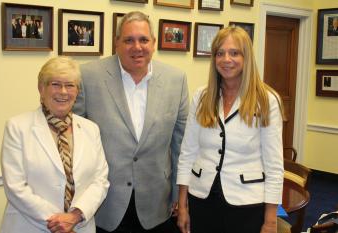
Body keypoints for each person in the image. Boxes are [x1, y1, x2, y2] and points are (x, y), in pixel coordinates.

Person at [73, 11, 189, 233]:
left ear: (153, 43)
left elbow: (180, 145)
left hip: (157, 205)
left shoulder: (177, 80)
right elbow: (76, 141)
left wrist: (179, 197)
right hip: (105, 205)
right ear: (117, 43)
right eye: (129, 40)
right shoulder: (88, 76)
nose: (137, 47)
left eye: (144, 39)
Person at [176, 26, 285, 233]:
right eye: (220, 53)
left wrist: (270, 220)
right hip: (201, 199)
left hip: (246, 204)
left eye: (234, 53)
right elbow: (187, 153)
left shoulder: (266, 100)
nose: (227, 59)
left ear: (247, 58)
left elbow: (274, 165)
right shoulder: (201, 96)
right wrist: (182, 205)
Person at [0, 57, 110, 233]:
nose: (63, 92)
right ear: (41, 89)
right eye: (55, 84)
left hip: (79, 226)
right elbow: (15, 187)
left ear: (77, 91)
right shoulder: (17, 127)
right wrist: (60, 222)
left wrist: (74, 217)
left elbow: (100, 180)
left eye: (70, 85)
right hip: (32, 226)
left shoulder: (91, 129)